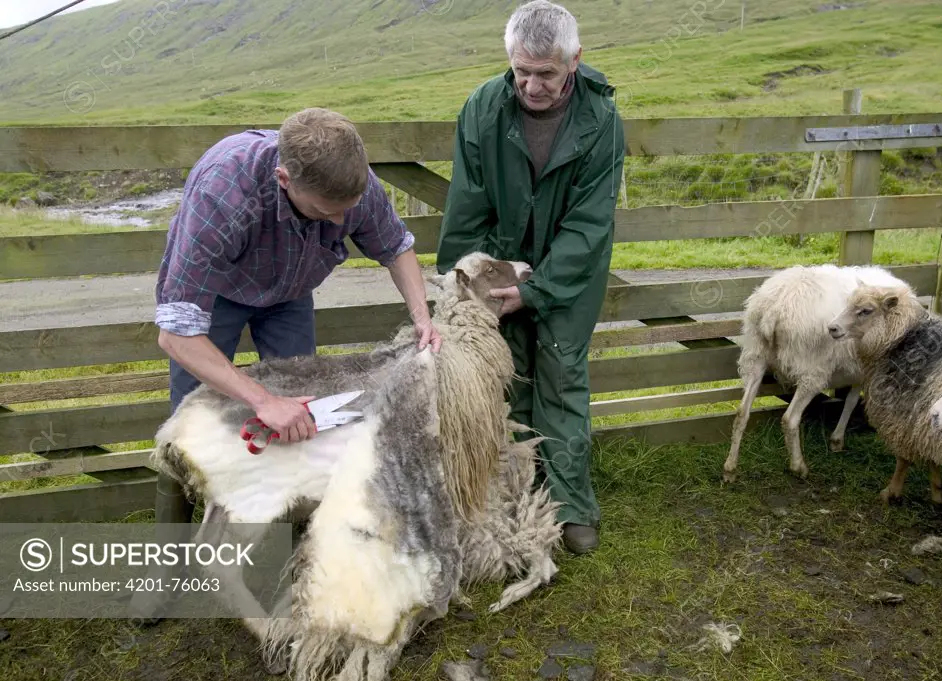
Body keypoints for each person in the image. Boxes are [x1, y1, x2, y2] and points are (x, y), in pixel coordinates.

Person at [131, 107, 441, 620]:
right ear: (284, 178)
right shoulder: (221, 195)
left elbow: (396, 247)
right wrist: (262, 400)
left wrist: (422, 316)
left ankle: (305, 564)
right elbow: (177, 335)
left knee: (310, 420)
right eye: (326, 212)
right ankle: (169, 566)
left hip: (290, 292)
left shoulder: (351, 183)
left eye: (350, 207)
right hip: (216, 302)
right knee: (191, 429)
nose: (343, 222)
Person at [435, 0, 625, 555]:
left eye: (546, 73)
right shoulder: (484, 110)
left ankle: (570, 504)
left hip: (571, 271)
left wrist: (538, 289)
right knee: (505, 375)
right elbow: (468, 206)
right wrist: (482, 282)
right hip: (500, 265)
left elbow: (590, 223)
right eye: (522, 71)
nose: (533, 86)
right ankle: (511, 495)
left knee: (561, 374)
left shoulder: (601, 122)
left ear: (574, 61)